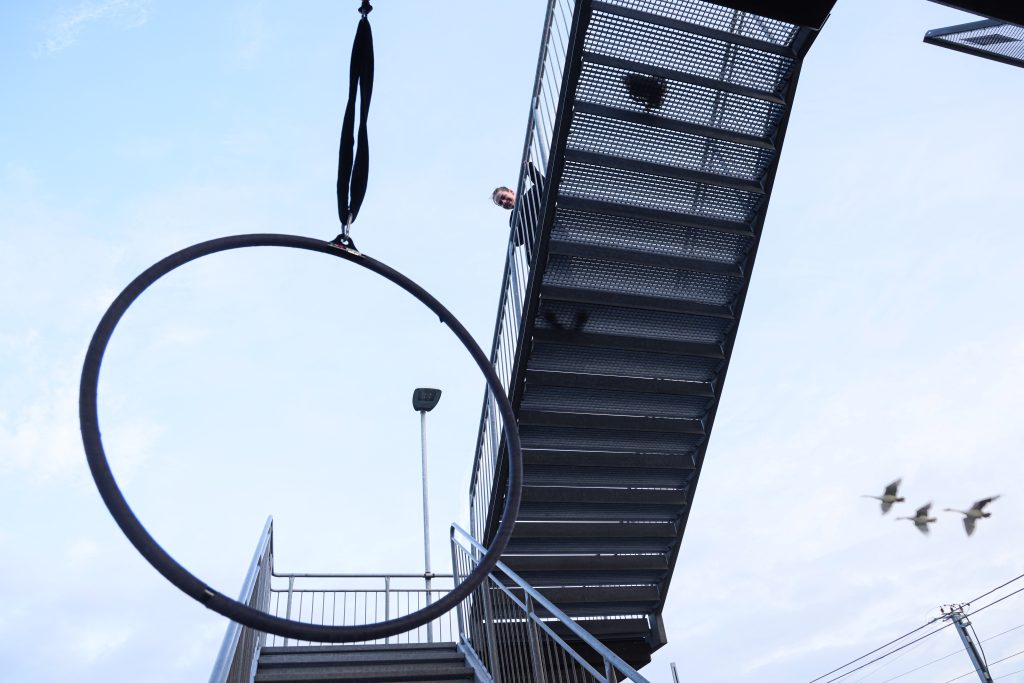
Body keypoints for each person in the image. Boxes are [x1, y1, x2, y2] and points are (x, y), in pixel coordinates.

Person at [492, 160, 545, 246]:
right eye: (500, 203)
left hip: (555, 231)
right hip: (538, 250)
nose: (504, 202)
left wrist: (530, 169)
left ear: (511, 192)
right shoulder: (513, 217)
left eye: (503, 197)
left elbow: (545, 184)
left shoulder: (531, 194)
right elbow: (517, 241)